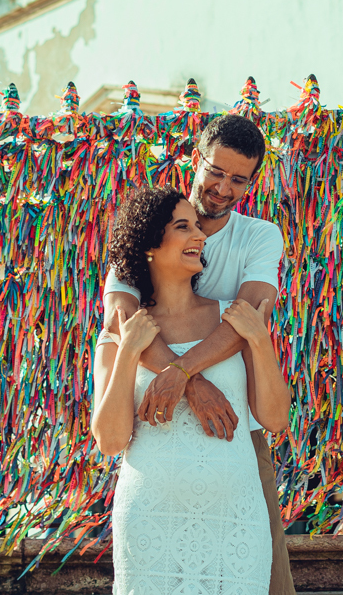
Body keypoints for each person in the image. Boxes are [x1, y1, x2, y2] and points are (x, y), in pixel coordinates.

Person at [101, 115, 295, 595]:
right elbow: (125, 324)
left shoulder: (259, 236)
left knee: (269, 581)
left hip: (235, 435)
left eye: (239, 179)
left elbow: (248, 316)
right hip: (159, 464)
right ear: (196, 159)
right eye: (216, 172)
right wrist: (189, 381)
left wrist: (182, 369)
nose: (224, 187)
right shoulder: (152, 221)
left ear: (252, 181)